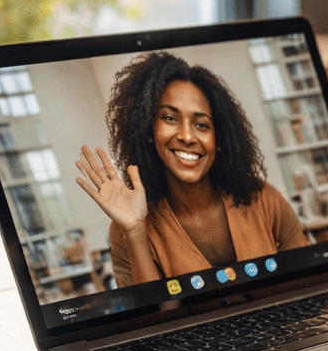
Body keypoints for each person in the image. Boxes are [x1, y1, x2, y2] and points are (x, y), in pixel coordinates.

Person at [75, 51, 308, 286]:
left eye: (201, 124)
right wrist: (135, 232)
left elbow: (306, 282)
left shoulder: (264, 198)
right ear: (148, 130)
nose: (187, 136)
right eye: (170, 118)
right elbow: (153, 318)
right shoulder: (125, 229)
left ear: (219, 139)